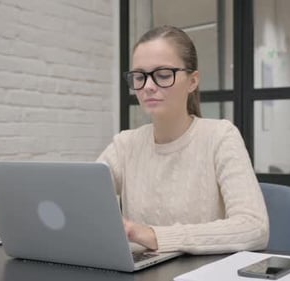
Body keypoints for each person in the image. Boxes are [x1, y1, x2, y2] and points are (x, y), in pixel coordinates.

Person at [97, 25, 269, 254]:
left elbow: (254, 227)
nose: (148, 87)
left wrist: (154, 236)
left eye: (163, 75)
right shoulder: (125, 144)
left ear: (192, 81)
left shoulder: (220, 137)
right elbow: (82, 198)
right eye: (139, 77)